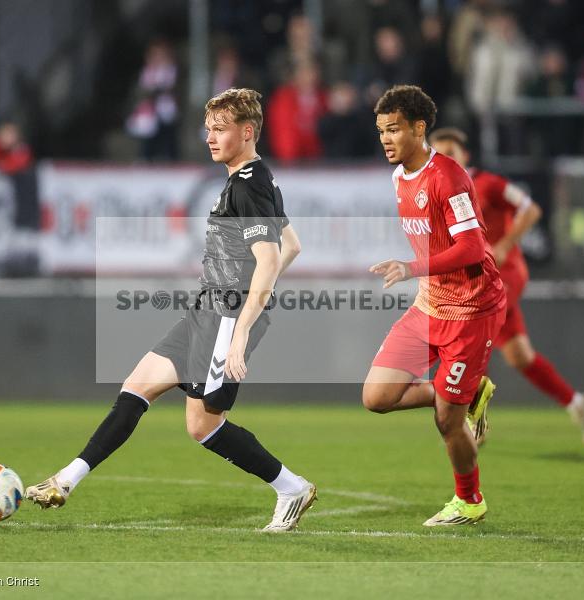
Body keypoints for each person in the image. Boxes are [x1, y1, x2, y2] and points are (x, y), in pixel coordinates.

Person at [26, 88, 316, 532]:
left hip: (225, 319)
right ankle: (65, 480)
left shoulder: (249, 184)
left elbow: (271, 257)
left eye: (220, 130)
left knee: (203, 426)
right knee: (137, 386)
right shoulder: (253, 178)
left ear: (247, 131)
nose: (210, 138)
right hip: (205, 311)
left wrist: (240, 328)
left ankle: (290, 487)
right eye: (208, 129)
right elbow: (290, 245)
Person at [364, 85, 506, 527]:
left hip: (471, 311)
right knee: (376, 397)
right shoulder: (399, 177)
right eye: (381, 131)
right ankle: (467, 392)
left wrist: (411, 268)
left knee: (447, 422)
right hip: (430, 306)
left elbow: (471, 249)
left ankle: (469, 500)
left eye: (394, 130)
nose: (386, 139)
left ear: (419, 128)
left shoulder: (448, 176)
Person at [429, 127, 584, 448]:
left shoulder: (487, 184)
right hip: (478, 281)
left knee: (470, 332)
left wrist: (506, 243)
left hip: (504, 272)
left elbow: (531, 209)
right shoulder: (440, 193)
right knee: (520, 356)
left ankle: (474, 418)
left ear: (465, 155)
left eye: (451, 152)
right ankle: (576, 402)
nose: (444, 160)